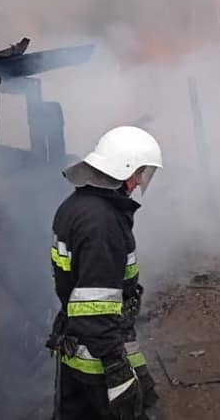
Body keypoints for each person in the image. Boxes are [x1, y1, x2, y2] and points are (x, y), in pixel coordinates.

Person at [47, 126, 163, 419]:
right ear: (122, 168)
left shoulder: (75, 206)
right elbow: (94, 307)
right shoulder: (102, 223)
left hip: (77, 347)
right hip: (98, 357)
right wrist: (116, 368)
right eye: (138, 172)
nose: (139, 181)